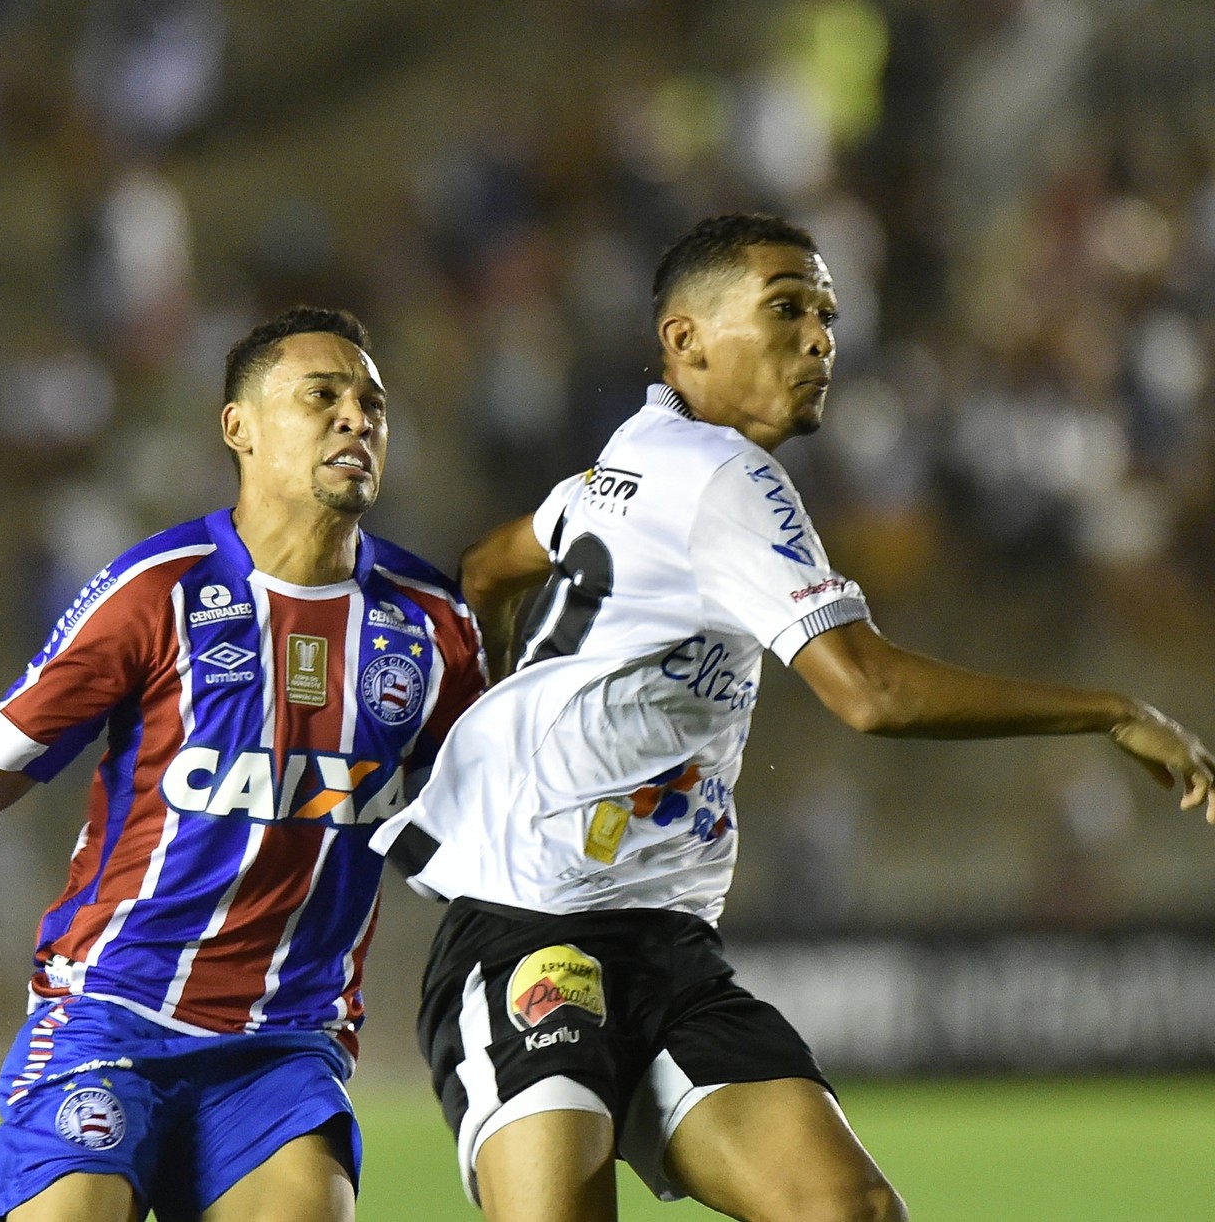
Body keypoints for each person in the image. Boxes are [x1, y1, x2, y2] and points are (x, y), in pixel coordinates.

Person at [372, 213, 1215, 1222]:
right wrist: (1111, 711)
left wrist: (502, 705)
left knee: (845, 1205)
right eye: (785, 308)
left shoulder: (631, 455)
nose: (819, 336)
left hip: (663, 941)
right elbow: (870, 690)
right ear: (685, 341)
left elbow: (490, 563)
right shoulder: (723, 477)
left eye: (825, 312)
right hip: (528, 932)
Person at [0, 306, 487, 1222]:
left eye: (372, 403)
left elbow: (492, 808)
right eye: (323, 396)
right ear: (241, 427)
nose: (357, 418)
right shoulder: (160, 589)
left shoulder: (431, 625)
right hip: (112, 1015)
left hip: (283, 1048)